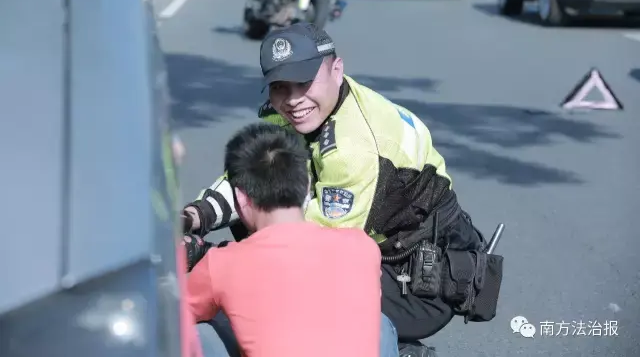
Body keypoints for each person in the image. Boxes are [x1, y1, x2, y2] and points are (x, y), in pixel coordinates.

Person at [182, 23, 488, 357]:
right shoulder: (301, 111)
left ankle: (402, 351)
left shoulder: (352, 150)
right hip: (368, 248)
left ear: (337, 70)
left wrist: (210, 258)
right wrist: (195, 216)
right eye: (280, 87)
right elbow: (252, 175)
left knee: (280, 289)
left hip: (419, 282)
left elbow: (308, 255)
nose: (294, 100)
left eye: (304, 83)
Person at [184, 122, 399, 357]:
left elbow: (173, 318)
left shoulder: (220, 263)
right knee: (380, 324)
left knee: (199, 333)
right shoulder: (363, 247)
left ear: (240, 198)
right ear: (307, 186)